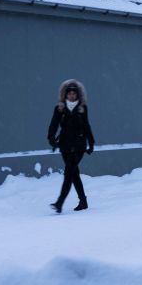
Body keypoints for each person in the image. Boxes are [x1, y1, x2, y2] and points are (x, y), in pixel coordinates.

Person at [47, 79, 95, 213]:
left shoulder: (82, 108)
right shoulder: (59, 108)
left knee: (69, 171)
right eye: (69, 93)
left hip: (79, 145)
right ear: (65, 94)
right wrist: (51, 138)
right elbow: (54, 124)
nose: (72, 96)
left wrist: (91, 143)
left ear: (78, 95)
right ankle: (83, 201)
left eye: (74, 93)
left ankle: (60, 202)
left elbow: (86, 126)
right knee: (74, 174)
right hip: (65, 145)